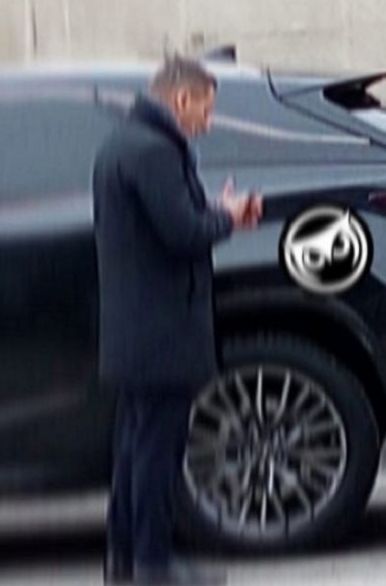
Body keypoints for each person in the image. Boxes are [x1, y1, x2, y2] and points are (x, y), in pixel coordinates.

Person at [93, 56, 262, 585]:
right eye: (206, 110)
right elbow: (184, 233)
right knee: (156, 458)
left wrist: (212, 211)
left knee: (133, 451)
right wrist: (228, 217)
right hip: (163, 331)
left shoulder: (123, 144)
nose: (207, 122)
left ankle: (125, 563)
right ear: (181, 100)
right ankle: (153, 567)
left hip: (135, 329)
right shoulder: (156, 152)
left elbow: (161, 222)